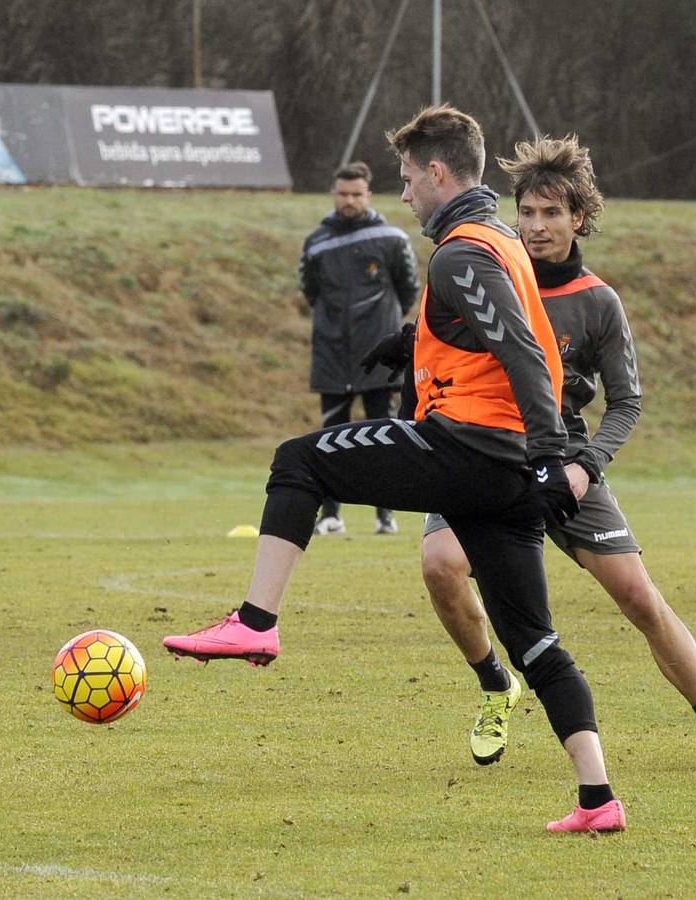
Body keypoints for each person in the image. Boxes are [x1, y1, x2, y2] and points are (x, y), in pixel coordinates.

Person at [164, 105, 625, 833]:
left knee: (297, 461)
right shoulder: (498, 240)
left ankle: (255, 622)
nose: (403, 193)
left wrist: (550, 455)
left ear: (440, 173)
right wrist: (415, 342)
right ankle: (598, 800)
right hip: (502, 471)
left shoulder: (461, 252)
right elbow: (499, 333)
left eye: (409, 179)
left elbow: (523, 354)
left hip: (473, 451)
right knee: (535, 643)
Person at [419, 134, 696, 773]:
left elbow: (626, 403)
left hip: (569, 461)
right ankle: (497, 684)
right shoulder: (486, 269)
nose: (536, 226)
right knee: (440, 563)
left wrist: (585, 465)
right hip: (488, 451)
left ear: (580, 217)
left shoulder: (598, 300)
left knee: (637, 596)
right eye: (525, 212)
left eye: (551, 213)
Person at [298, 160, 419, 536]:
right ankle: (331, 515)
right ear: (334, 194)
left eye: (356, 194)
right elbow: (310, 290)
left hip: (378, 357)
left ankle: (386, 515)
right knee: (328, 439)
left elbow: (408, 289)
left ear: (368, 194)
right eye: (343, 194)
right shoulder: (317, 243)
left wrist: (381, 328)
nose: (349, 200)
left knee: (384, 436)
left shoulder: (391, 238)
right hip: (332, 354)